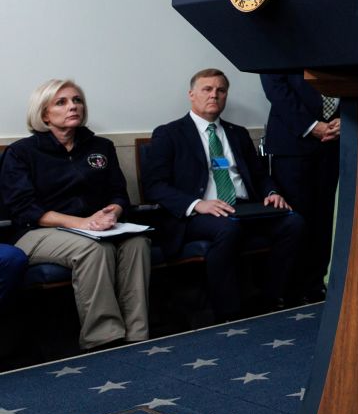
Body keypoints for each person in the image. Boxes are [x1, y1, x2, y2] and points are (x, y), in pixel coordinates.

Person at [143, 69, 305, 320]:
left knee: (293, 222)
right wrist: (197, 204)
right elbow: (154, 186)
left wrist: (272, 192)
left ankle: (271, 299)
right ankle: (227, 312)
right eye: (207, 89)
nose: (214, 95)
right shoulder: (169, 133)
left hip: (244, 207)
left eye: (220, 90)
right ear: (192, 94)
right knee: (227, 228)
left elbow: (260, 175)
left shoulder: (237, 133)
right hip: (197, 214)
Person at [0, 79, 150, 349]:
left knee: (137, 243)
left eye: (77, 100)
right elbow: (25, 208)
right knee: (94, 248)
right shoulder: (21, 153)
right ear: (45, 114)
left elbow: (118, 193)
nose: (73, 106)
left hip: (95, 227)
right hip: (38, 232)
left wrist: (113, 212)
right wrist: (83, 223)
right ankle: (103, 337)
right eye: (62, 102)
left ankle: (137, 334)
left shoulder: (100, 147)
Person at [260, 73, 339, 301]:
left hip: (334, 142)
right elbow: (276, 88)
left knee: (323, 220)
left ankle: (314, 287)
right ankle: (288, 292)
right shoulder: (282, 42)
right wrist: (311, 126)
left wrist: (347, 118)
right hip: (293, 144)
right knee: (297, 220)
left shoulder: (340, 44)